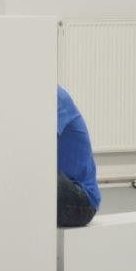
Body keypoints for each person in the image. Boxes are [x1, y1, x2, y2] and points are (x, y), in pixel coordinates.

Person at [56, 86, 101, 227]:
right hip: (63, 188)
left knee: (38, 178)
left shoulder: (55, 97)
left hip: (82, 199)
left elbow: (36, 151)